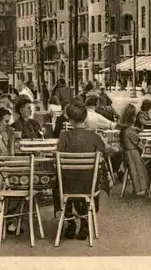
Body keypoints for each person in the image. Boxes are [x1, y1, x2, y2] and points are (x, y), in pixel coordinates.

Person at [55, 102, 110, 240]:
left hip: (67, 185)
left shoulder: (64, 136)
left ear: (70, 120)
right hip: (88, 185)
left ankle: (70, 222)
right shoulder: (95, 137)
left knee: (58, 184)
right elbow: (104, 154)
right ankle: (85, 222)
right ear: (85, 118)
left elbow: (58, 155)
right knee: (91, 179)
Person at [119, 104, 149, 194]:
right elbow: (142, 146)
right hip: (134, 156)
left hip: (128, 156)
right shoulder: (130, 131)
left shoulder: (124, 129)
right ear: (133, 117)